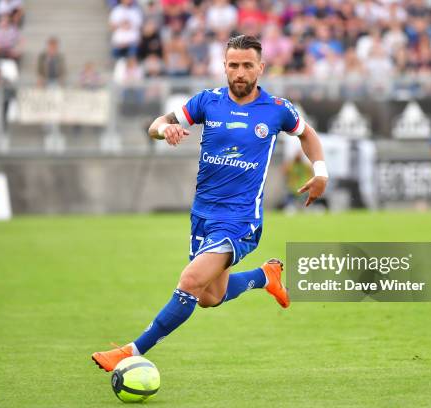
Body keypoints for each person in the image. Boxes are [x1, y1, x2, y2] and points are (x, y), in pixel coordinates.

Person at [91, 35, 329, 371]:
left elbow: (308, 134)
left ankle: (131, 351)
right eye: (234, 65)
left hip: (241, 220)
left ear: (261, 68)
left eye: (248, 65)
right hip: (203, 215)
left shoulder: (277, 110)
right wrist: (165, 132)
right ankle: (265, 276)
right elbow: (156, 125)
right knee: (208, 297)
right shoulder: (208, 102)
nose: (240, 72)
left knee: (189, 282)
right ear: (224, 67)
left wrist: (320, 173)